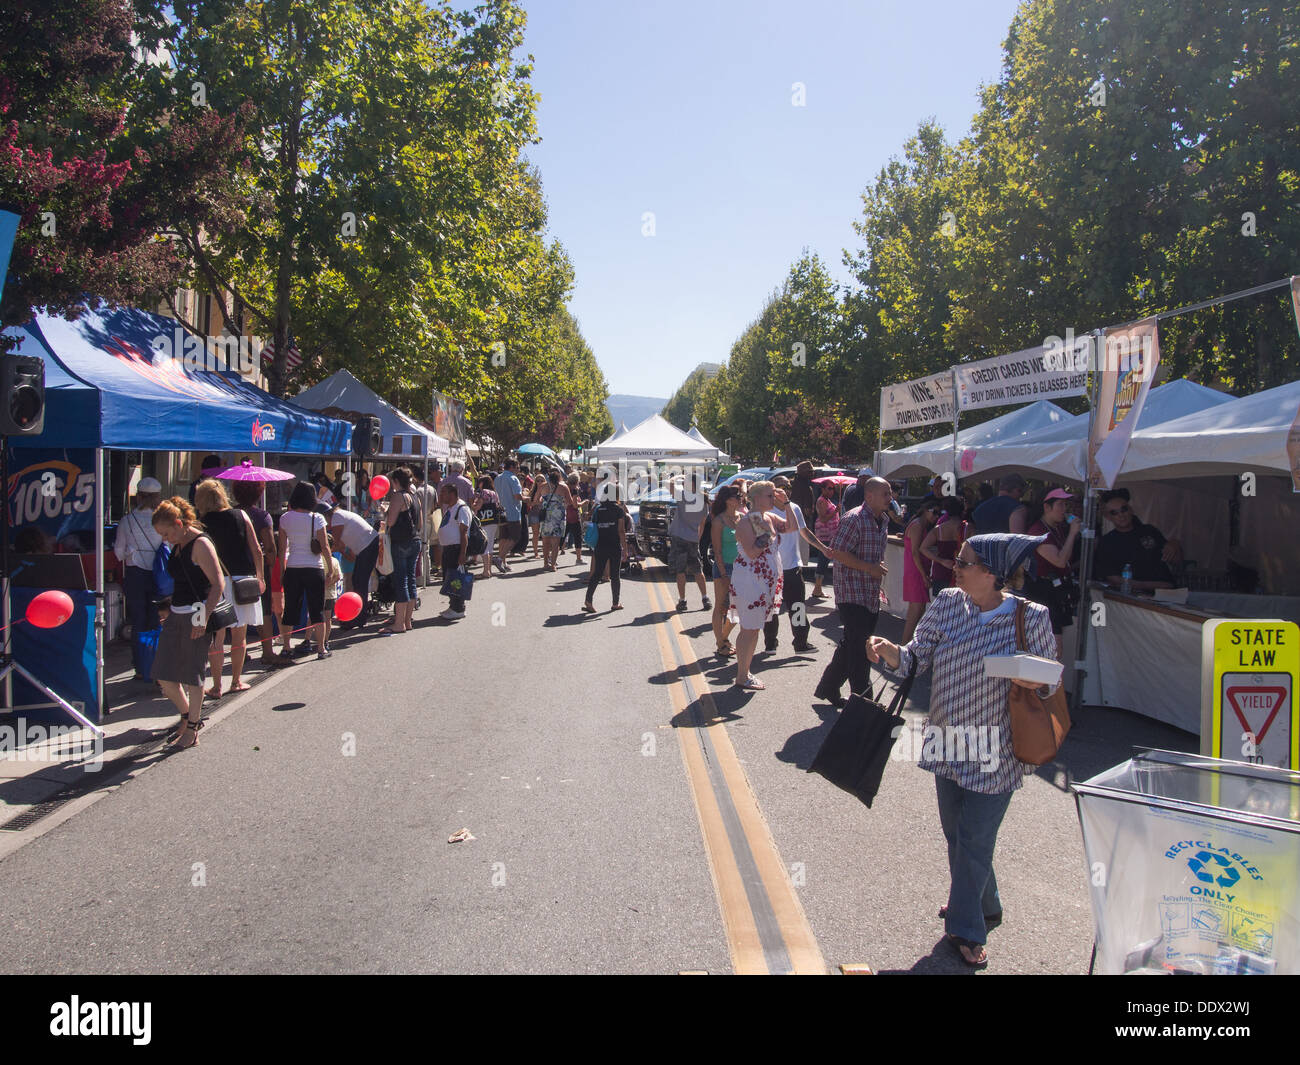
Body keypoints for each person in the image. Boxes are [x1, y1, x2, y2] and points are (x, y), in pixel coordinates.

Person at [866, 533, 1057, 968]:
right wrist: (891, 652)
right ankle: (984, 903)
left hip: (998, 748)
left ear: (991, 574)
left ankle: (966, 929)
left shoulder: (1031, 617)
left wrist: (1033, 679)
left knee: (974, 839)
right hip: (948, 740)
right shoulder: (949, 602)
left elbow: (1050, 680)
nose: (955, 566)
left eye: (965, 561)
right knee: (958, 836)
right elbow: (917, 657)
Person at [151, 497, 224, 750]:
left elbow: (217, 584)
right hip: (176, 612)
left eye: (167, 533)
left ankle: (192, 729)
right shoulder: (178, 544)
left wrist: (203, 617)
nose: (165, 539)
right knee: (164, 675)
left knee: (193, 676)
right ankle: (187, 717)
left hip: (196, 611)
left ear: (180, 524)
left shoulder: (200, 544)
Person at [813, 477, 892, 707]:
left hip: (870, 593)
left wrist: (875, 569)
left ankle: (828, 687)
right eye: (885, 493)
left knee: (852, 644)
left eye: (890, 494)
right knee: (861, 650)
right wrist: (870, 568)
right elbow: (837, 552)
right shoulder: (854, 518)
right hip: (851, 592)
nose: (890, 498)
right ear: (869, 496)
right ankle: (863, 704)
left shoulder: (883, 520)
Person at [194, 478, 265, 698]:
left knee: (217, 637)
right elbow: (257, 550)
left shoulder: (201, 523)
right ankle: (235, 681)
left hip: (216, 583)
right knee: (239, 634)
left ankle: (216, 686)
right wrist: (260, 577)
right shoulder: (241, 515)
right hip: (242, 581)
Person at [730, 481, 790, 689]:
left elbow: (792, 527)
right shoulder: (748, 520)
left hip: (764, 581)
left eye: (774, 495)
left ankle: (744, 672)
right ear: (756, 498)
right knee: (749, 628)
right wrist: (764, 530)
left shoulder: (769, 517)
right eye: (769, 496)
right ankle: (742, 675)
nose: (773, 499)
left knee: (754, 629)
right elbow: (753, 552)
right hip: (750, 580)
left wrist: (788, 504)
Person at [231, 480, 290, 668]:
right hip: (257, 567)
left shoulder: (229, 514)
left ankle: (240, 650)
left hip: (233, 567)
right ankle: (267, 651)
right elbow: (270, 547)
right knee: (262, 610)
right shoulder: (261, 516)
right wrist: (272, 566)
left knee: (236, 610)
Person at [764, 475, 825, 654]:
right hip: (772, 569)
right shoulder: (764, 513)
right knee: (772, 610)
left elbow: (804, 532)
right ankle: (770, 643)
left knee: (797, 607)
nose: (785, 490)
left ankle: (800, 642)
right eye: (780, 487)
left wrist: (823, 548)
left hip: (792, 567)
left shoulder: (794, 508)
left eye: (787, 486)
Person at [113, 476, 164, 682]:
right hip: (160, 574)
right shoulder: (162, 519)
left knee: (138, 621)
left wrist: (132, 552)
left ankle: (140, 667)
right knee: (157, 619)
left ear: (138, 496)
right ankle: (157, 665)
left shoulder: (127, 521)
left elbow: (118, 552)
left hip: (135, 575)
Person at [1024, 488, 1082, 658]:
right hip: (1042, 591)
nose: (1065, 509)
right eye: (1060, 504)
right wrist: (1072, 533)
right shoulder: (1039, 531)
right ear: (1047, 507)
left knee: (1055, 645)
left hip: (1056, 591)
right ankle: (1051, 683)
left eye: (1066, 504)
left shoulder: (1056, 528)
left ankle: (1052, 683)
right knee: (1052, 646)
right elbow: (1059, 560)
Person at [279, 481, 331, 658]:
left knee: (290, 608)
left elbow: (281, 549)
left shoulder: (285, 518)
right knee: (317, 609)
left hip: (293, 567)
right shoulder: (317, 518)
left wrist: (281, 570)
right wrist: (330, 568)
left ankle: (286, 646)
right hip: (314, 567)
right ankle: (321, 648)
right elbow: (324, 546)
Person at [1094, 488, 1181, 592]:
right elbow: (1114, 579)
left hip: (1169, 595)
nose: (1121, 515)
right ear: (1108, 517)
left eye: (1124, 509)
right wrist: (1156, 585)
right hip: (1136, 600)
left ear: (1131, 509)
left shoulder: (1150, 530)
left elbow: (1177, 561)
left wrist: (1175, 544)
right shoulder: (1107, 542)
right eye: (1114, 512)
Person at [379, 467, 421, 635]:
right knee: (410, 580)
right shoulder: (414, 496)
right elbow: (419, 523)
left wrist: (385, 511)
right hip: (415, 540)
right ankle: (407, 621)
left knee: (401, 581)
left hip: (401, 542)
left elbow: (390, 522)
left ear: (396, 481)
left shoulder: (398, 496)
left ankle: (399, 623)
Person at [329, 502, 380, 628]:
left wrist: (325, 550)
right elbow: (341, 545)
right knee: (358, 581)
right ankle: (358, 617)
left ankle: (357, 618)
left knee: (359, 582)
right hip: (368, 544)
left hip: (366, 546)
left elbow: (336, 543)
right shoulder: (341, 514)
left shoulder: (336, 517)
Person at [582, 483, 629, 613]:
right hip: (614, 545)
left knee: (597, 573)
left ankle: (588, 600)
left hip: (600, 544)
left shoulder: (598, 509)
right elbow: (621, 530)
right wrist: (625, 549)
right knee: (615, 575)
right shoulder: (619, 510)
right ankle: (615, 603)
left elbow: (595, 525)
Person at [668, 472, 711, 613]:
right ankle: (705, 597)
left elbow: (670, 484)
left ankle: (682, 600)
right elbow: (703, 523)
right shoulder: (703, 500)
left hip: (680, 537)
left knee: (680, 571)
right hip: (693, 538)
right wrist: (697, 537)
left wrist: (677, 477)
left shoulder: (683, 496)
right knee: (698, 570)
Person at [902, 495, 943, 643]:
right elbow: (915, 552)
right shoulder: (918, 525)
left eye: (939, 513)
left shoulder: (920, 524)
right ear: (926, 510)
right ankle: (903, 648)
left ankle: (908, 647)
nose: (937, 516)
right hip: (916, 572)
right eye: (935, 512)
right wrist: (924, 576)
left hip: (918, 571)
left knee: (920, 611)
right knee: (915, 612)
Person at [710, 485, 743, 657]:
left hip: (743, 568)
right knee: (721, 606)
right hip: (725, 568)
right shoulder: (718, 521)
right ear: (728, 500)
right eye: (737, 496)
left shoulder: (743, 518)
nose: (740, 498)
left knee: (738, 607)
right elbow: (717, 550)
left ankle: (722, 638)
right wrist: (723, 574)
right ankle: (721, 642)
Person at [922, 496, 969, 598]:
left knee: (942, 606)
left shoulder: (938, 529)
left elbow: (923, 548)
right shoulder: (967, 528)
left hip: (941, 570)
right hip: (962, 571)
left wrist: (941, 560)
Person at [438, 482, 471, 619]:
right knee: (449, 578)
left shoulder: (461, 508)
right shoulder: (450, 508)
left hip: (456, 548)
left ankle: (458, 608)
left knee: (456, 579)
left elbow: (463, 533)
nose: (441, 495)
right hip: (449, 549)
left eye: (443, 493)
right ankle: (453, 606)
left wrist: (462, 553)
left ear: (452, 494)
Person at [537, 470, 574, 572]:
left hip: (546, 517)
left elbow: (536, 500)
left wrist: (543, 502)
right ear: (559, 478)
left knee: (545, 542)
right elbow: (570, 502)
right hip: (558, 517)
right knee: (555, 543)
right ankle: (553, 565)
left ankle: (545, 563)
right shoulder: (564, 487)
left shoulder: (543, 486)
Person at [810, 480, 841, 599]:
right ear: (822, 489)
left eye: (833, 488)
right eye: (829, 488)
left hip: (831, 535)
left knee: (826, 560)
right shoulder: (821, 501)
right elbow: (823, 519)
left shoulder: (827, 500)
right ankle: (817, 588)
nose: (831, 491)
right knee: (823, 559)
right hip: (825, 535)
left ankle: (818, 588)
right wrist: (835, 512)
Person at [493, 459, 524, 571]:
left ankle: (503, 562)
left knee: (504, 537)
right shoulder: (513, 478)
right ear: (511, 467)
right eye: (517, 467)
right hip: (512, 511)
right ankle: (500, 558)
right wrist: (526, 499)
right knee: (514, 536)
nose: (518, 469)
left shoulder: (498, 477)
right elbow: (517, 496)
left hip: (501, 511)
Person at [472, 475, 501, 580]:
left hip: (484, 520)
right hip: (493, 520)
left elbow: (478, 506)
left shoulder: (483, 492)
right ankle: (489, 570)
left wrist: (473, 505)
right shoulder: (494, 493)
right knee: (490, 545)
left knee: (484, 545)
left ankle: (486, 571)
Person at [790, 461, 817, 567]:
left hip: (787, 524)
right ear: (804, 473)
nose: (812, 474)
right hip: (801, 525)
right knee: (800, 556)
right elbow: (807, 510)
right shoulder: (806, 488)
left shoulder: (790, 484)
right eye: (810, 472)